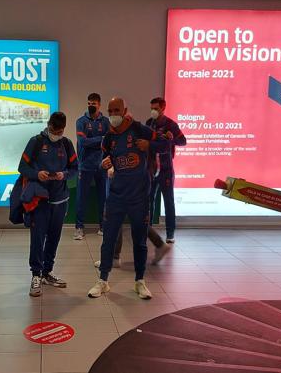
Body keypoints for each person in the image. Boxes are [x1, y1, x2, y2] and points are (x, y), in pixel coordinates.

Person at [88, 98, 169, 300]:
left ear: (124, 110)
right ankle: (103, 281)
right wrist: (105, 163)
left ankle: (139, 282)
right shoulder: (108, 137)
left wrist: (149, 144)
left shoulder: (138, 129)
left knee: (139, 241)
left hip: (139, 197)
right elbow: (104, 159)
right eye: (110, 110)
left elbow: (165, 144)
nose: (113, 114)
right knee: (108, 240)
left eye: (117, 110)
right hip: (116, 196)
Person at [19, 112, 78, 297]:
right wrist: (37, 174)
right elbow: (22, 167)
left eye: (60, 130)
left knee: (54, 237)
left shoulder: (66, 144)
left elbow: (75, 169)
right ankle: (36, 275)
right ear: (48, 125)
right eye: (54, 129)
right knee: (38, 238)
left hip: (60, 199)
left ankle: (47, 272)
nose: (56, 133)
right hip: (40, 199)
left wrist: (64, 175)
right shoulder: (36, 142)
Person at [146, 97, 187, 263]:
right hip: (151, 169)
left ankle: (170, 234)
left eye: (156, 108)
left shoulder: (171, 124)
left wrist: (172, 138)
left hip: (166, 169)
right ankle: (148, 231)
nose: (153, 111)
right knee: (148, 200)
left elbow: (183, 141)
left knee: (168, 201)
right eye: (151, 108)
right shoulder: (149, 123)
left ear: (163, 108)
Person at [74, 93, 110, 240]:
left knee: (103, 197)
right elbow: (82, 142)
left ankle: (103, 225)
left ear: (99, 105)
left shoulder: (106, 121)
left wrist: (97, 141)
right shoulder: (81, 121)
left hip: (102, 165)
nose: (91, 105)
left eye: (94, 103)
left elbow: (109, 141)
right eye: (89, 103)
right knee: (81, 197)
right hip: (85, 165)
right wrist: (100, 139)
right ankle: (79, 227)